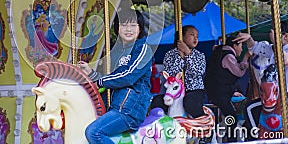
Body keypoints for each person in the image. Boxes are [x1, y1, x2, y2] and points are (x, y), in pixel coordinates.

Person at [78, 9, 152, 144]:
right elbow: (112, 78)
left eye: (133, 25)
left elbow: (128, 75)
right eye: (124, 25)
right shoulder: (117, 52)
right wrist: (92, 74)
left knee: (94, 132)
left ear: (140, 29)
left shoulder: (143, 49)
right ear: (117, 28)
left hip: (129, 109)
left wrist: (99, 81)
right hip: (116, 106)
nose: (128, 29)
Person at [233, 21, 288, 136]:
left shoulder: (283, 50)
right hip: (275, 95)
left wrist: (275, 41)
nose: (270, 34)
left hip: (284, 96)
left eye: (273, 32)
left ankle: (256, 136)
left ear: (285, 36)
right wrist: (249, 39)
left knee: (250, 108)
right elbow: (256, 47)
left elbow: (284, 59)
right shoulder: (274, 49)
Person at [151, 25, 207, 118]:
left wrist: (188, 54)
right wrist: (180, 56)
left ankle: (201, 123)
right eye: (192, 35)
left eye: (197, 36)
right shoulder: (170, 55)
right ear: (182, 36)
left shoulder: (200, 55)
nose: (195, 38)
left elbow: (198, 72)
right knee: (157, 101)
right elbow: (171, 75)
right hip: (174, 91)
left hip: (194, 90)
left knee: (190, 102)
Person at [205, 33, 251, 142]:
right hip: (219, 93)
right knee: (232, 118)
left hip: (218, 91)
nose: (241, 49)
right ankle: (231, 140)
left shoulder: (220, 52)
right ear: (235, 45)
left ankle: (227, 136)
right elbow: (238, 72)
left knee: (229, 116)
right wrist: (245, 58)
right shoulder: (228, 56)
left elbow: (222, 75)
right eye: (241, 46)